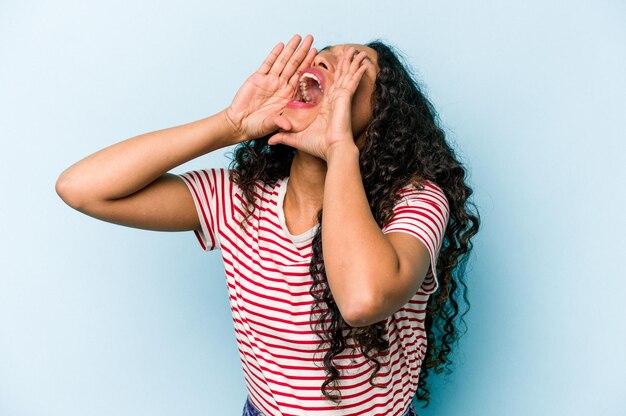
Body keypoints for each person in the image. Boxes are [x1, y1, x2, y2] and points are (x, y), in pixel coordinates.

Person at [56, 34, 480, 416]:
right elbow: (81, 188)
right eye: (325, 57)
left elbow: (362, 300)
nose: (329, 62)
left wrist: (339, 148)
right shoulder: (238, 198)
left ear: (382, 120)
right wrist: (230, 124)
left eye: (354, 69)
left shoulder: (415, 200)